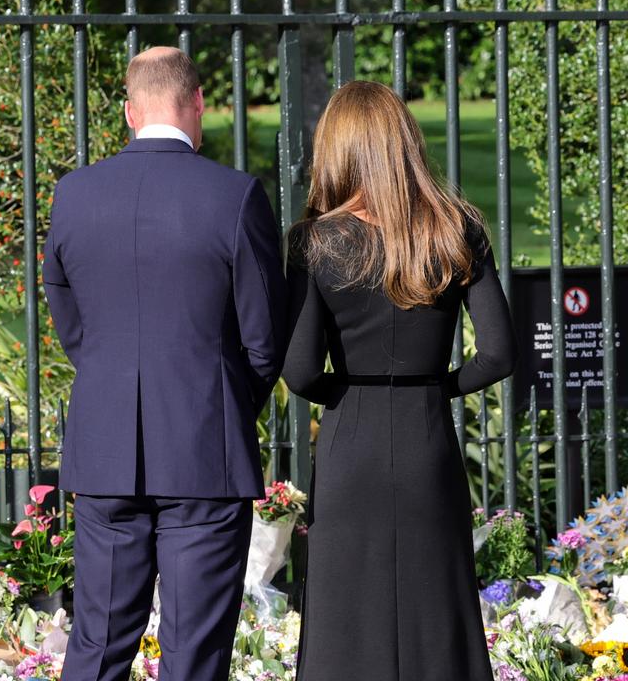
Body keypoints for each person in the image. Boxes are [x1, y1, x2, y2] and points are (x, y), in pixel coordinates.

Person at [44, 46, 288, 681]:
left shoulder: (74, 195)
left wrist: (109, 376)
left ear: (129, 111)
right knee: (193, 657)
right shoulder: (234, 195)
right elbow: (265, 339)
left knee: (95, 650)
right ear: (198, 102)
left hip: (105, 452)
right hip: (205, 453)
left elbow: (71, 321)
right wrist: (219, 402)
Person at [283, 80, 516, 680]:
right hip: (428, 438)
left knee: (342, 612)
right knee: (437, 604)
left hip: (349, 442)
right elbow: (498, 354)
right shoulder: (455, 228)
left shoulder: (314, 242)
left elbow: (302, 369)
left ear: (336, 149)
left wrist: (350, 391)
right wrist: (436, 388)